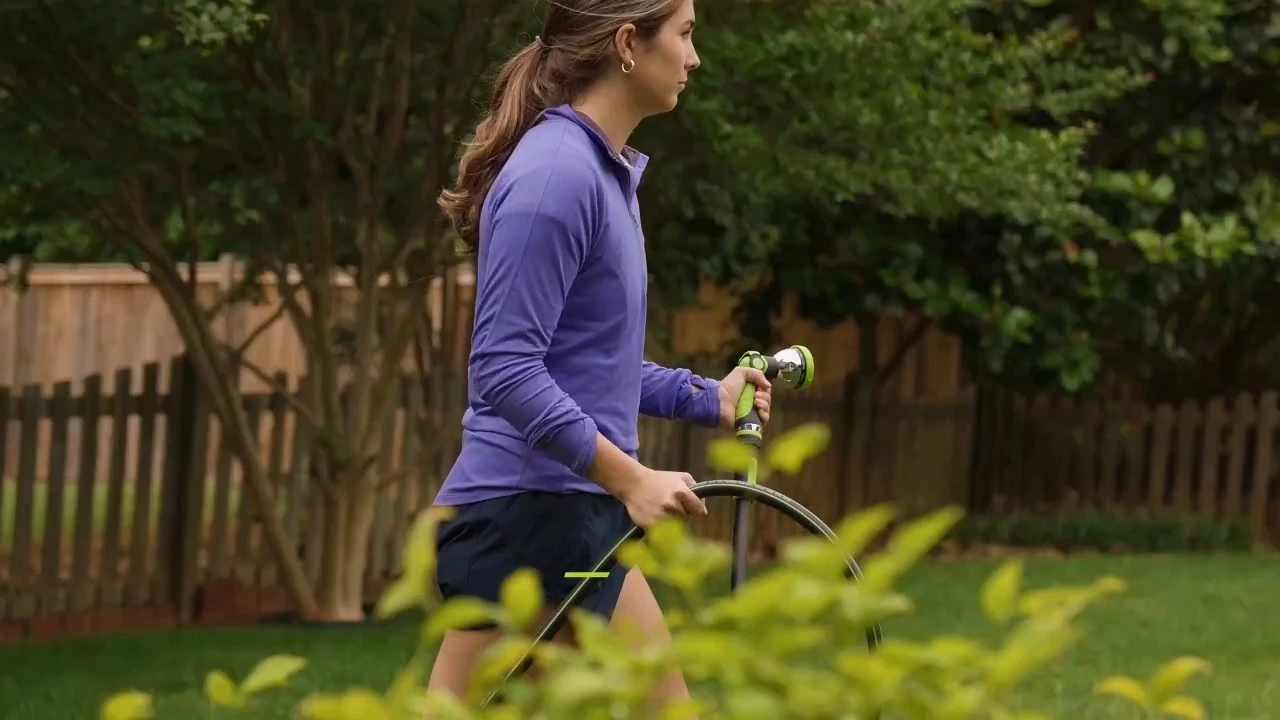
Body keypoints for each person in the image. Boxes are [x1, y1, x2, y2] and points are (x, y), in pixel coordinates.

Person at [426, 0, 772, 711]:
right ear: (626, 44)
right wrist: (631, 478)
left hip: (573, 514)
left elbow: (584, 364)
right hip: (527, 518)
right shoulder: (556, 177)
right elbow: (506, 368)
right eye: (685, 34)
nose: (695, 57)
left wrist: (707, 397)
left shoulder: (602, 172)